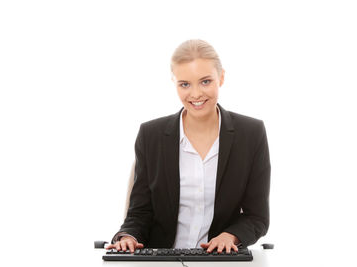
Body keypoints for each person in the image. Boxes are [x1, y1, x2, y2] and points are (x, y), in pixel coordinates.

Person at [107, 39, 271, 254]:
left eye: (205, 81)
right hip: (162, 259)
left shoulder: (251, 134)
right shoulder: (151, 135)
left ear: (221, 77)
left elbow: (257, 216)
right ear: (174, 83)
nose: (195, 94)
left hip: (218, 260)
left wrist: (230, 235)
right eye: (185, 84)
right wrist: (128, 236)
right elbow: (140, 212)